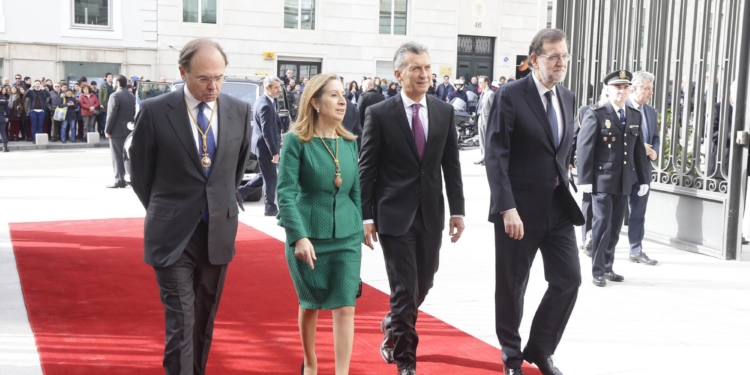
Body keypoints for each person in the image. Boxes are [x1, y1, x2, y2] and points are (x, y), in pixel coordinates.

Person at [128, 38, 251, 375]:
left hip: (217, 232)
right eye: (203, 79)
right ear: (182, 72)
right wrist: (167, 208)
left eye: (220, 77)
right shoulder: (155, 111)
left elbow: (234, 172)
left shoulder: (239, 111)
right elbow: (140, 174)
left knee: (203, 320)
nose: (213, 86)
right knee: (182, 320)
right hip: (172, 235)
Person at [360, 41, 465, 375]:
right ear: (398, 74)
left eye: (428, 68)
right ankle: (405, 360)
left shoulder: (443, 111)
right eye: (416, 68)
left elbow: (452, 165)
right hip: (393, 216)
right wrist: (366, 216)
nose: (424, 74)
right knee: (404, 289)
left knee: (425, 283)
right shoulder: (379, 113)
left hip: (431, 214)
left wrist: (458, 211)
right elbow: (367, 169)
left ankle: (393, 322)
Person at [485, 28, 584, 375]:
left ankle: (540, 349)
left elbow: (560, 150)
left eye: (565, 56)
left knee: (568, 279)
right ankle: (511, 356)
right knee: (513, 286)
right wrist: (506, 207)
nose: (561, 62)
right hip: (519, 211)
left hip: (558, 207)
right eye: (553, 56)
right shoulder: (510, 96)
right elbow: (496, 154)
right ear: (533, 61)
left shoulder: (568, 98)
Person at [277, 73, 364, 375]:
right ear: (314, 102)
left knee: (346, 306)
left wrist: (362, 224)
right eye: (334, 95)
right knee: (310, 303)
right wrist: (298, 236)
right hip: (309, 235)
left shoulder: (350, 142)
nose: (343, 101)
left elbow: (355, 191)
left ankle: (342, 372)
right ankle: (311, 364)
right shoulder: (295, 142)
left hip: (347, 236)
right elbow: (285, 193)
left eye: (344, 95)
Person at [577, 70, 650, 288]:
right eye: (617, 87)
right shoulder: (596, 113)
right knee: (602, 224)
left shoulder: (634, 114)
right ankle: (597, 269)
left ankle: (608, 266)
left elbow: (638, 150)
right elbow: (585, 147)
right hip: (601, 180)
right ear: (608, 90)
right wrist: (585, 180)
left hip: (624, 180)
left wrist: (644, 178)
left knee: (616, 225)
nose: (621, 91)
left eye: (625, 87)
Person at [626, 71, 660, 265]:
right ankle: (604, 250)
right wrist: (639, 148)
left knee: (638, 213)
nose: (650, 92)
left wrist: (654, 151)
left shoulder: (650, 111)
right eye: (647, 88)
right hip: (624, 171)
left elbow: (654, 137)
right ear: (635, 88)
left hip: (643, 171)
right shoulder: (623, 108)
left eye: (651, 88)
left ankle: (636, 249)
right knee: (614, 215)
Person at [236, 76, 282, 215]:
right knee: (270, 177)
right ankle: (270, 207)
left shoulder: (267, 101)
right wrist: (274, 152)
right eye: (276, 87)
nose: (279, 90)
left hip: (262, 145)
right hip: (265, 147)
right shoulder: (265, 105)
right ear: (267, 88)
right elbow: (266, 131)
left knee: (266, 175)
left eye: (279, 87)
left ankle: (240, 193)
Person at [105, 75, 136, 188]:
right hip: (129, 129)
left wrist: (107, 130)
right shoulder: (131, 95)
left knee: (117, 156)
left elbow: (111, 115)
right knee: (128, 156)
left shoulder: (114, 95)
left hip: (117, 130)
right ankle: (129, 178)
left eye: (113, 82)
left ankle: (119, 180)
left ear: (117, 83)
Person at [473, 75, 494, 165]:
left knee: (487, 140)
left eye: (480, 82)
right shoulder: (482, 93)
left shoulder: (490, 94)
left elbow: (494, 109)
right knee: (481, 139)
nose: (479, 84)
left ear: (486, 83)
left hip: (487, 120)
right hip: (480, 118)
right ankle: (483, 156)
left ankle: (488, 158)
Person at [98, 73, 114, 140]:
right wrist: (101, 103)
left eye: (111, 77)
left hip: (113, 104)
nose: (110, 78)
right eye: (109, 77)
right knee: (104, 121)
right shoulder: (103, 85)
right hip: (105, 105)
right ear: (106, 78)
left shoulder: (114, 85)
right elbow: (100, 95)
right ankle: (103, 134)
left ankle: (110, 133)